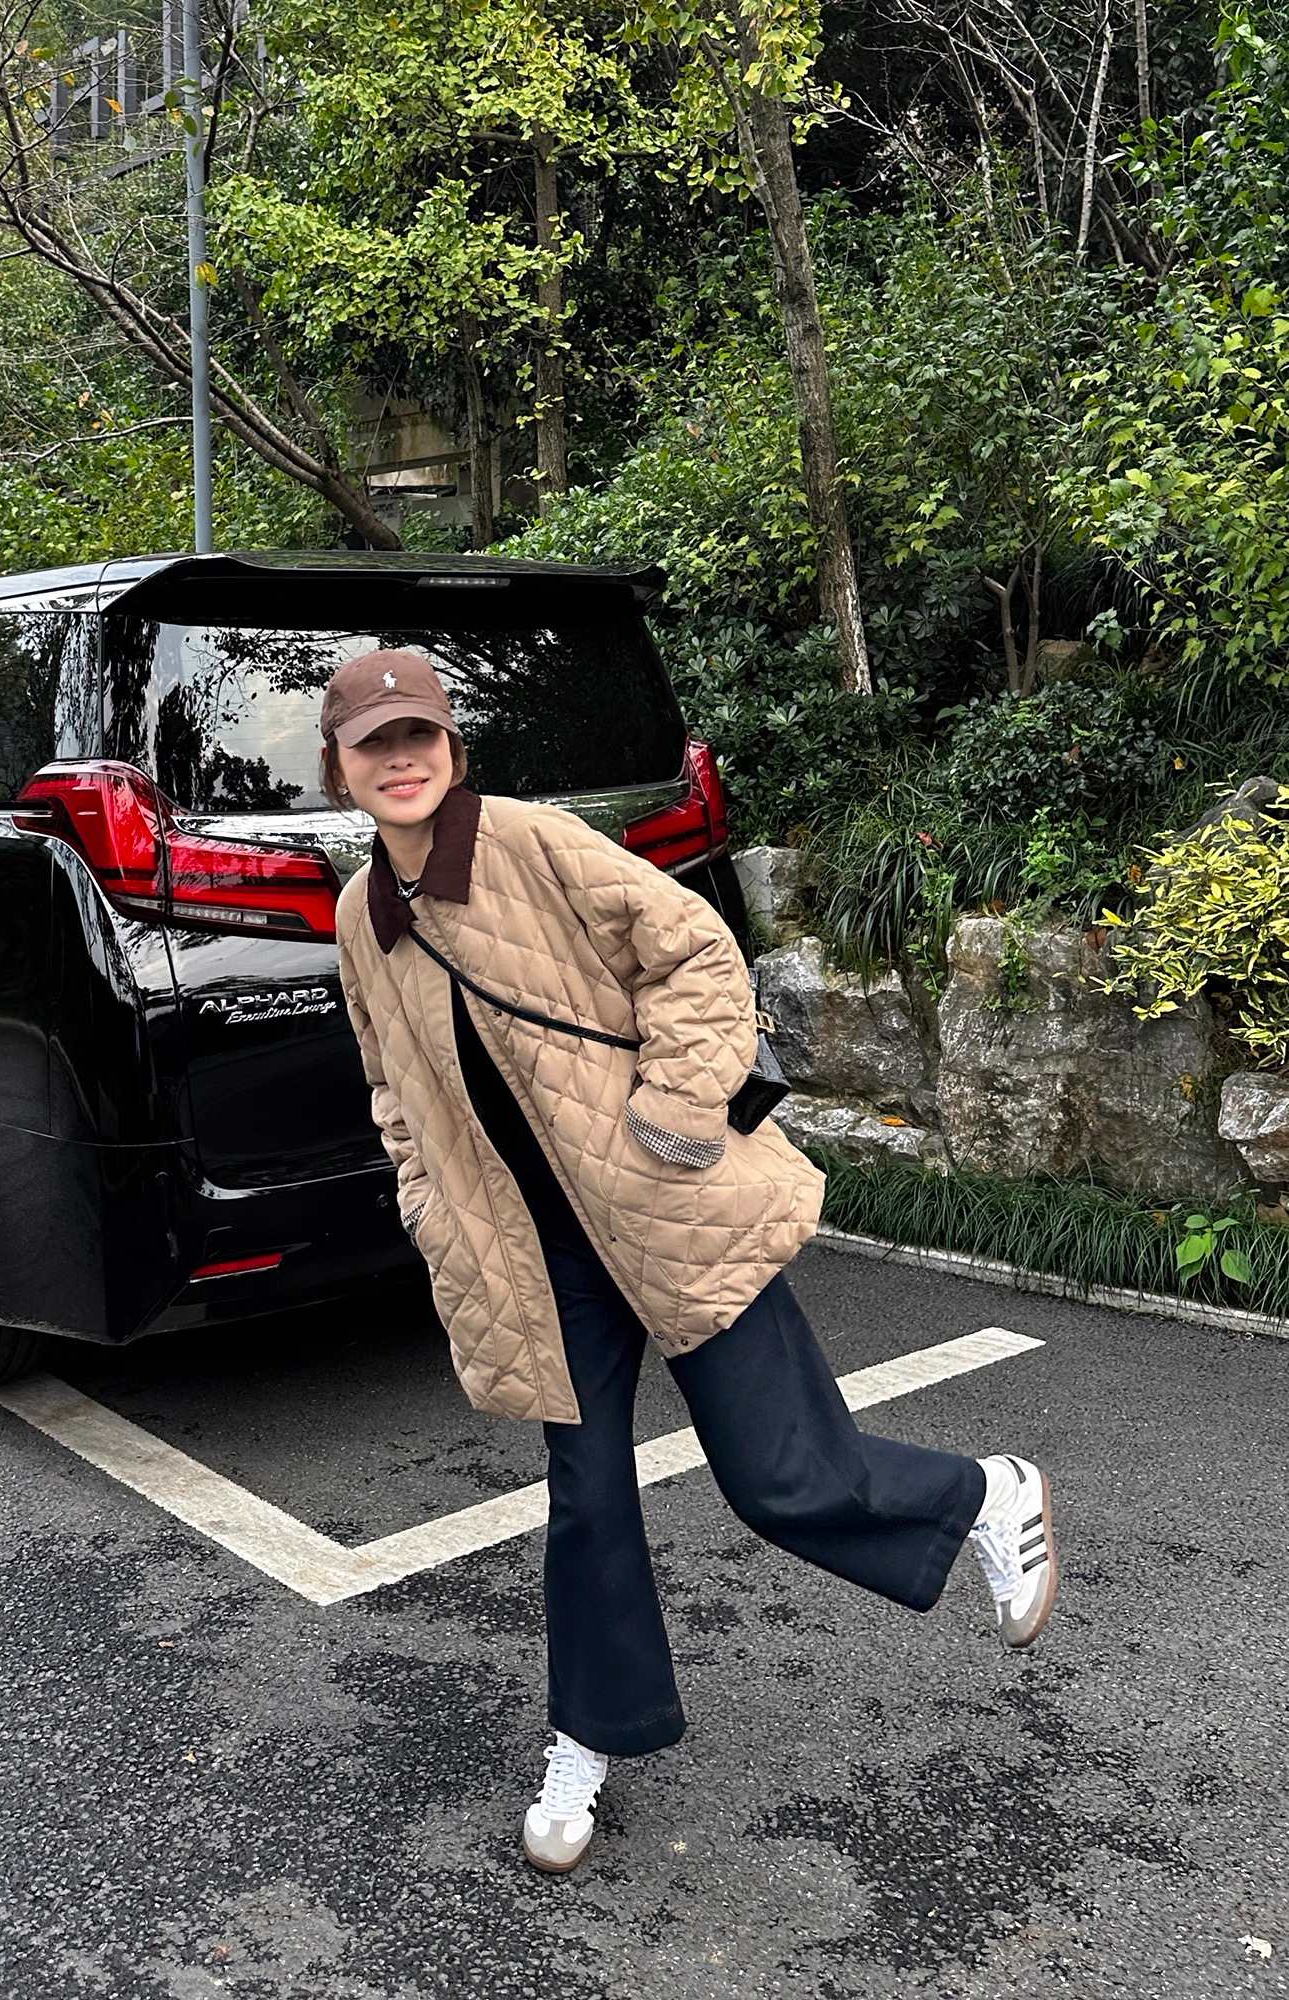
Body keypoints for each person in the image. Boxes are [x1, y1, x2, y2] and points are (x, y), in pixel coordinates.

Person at [323, 646, 1058, 1876]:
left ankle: (986, 1493)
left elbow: (697, 953)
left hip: (662, 1202)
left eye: (420, 736)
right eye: (373, 745)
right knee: (587, 1499)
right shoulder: (362, 916)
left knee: (779, 1477)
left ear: (452, 747)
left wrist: (673, 1105)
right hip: (533, 1254)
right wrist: (425, 1201)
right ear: (340, 770)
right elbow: (390, 1083)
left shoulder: (531, 844)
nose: (401, 760)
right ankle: (585, 1733)